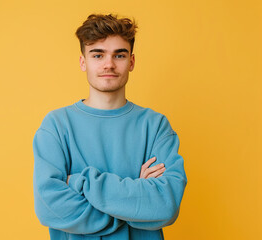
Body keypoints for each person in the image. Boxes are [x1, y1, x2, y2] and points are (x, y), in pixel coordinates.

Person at [32, 14, 187, 240]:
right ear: (83, 62)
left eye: (119, 55)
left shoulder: (156, 126)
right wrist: (136, 202)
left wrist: (79, 182)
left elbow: (166, 205)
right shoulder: (56, 126)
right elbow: (49, 207)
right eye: (98, 55)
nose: (109, 64)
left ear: (131, 62)